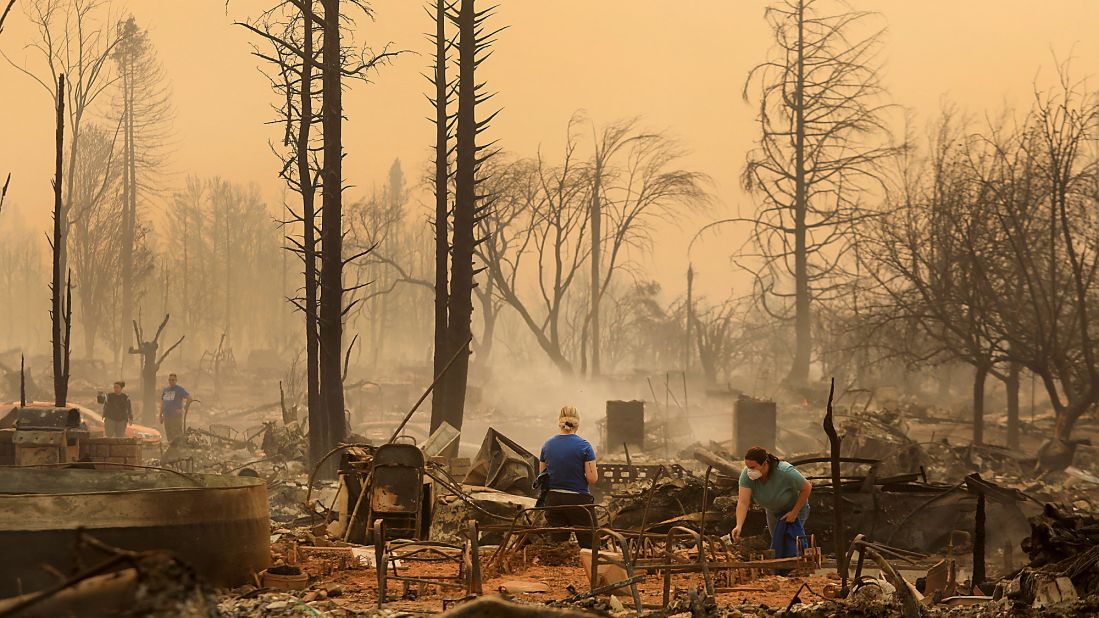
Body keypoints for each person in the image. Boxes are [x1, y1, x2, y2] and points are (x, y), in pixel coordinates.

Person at [539, 405, 598, 548]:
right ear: (577, 422)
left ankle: (557, 567)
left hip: (553, 501)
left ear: (559, 421)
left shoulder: (547, 445)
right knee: (591, 543)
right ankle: (591, 567)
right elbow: (592, 479)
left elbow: (542, 476)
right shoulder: (585, 446)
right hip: (578, 501)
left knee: (558, 547)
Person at [731, 446, 811, 542]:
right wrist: (739, 525)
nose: (749, 471)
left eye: (753, 467)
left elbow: (807, 487)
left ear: (765, 464)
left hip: (794, 508)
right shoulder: (746, 475)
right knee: (777, 541)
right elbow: (743, 502)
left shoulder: (784, 471)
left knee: (792, 541)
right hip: (773, 511)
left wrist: (794, 512)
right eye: (748, 467)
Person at [159, 373, 192, 443]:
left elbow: (189, 398)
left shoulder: (179, 389)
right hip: (167, 417)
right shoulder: (166, 390)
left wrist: (184, 408)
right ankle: (172, 451)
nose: (171, 381)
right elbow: (163, 403)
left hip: (176, 417)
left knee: (177, 436)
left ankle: (179, 451)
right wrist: (160, 416)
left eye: (173, 380)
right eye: (170, 380)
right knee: (169, 436)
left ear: (176, 380)